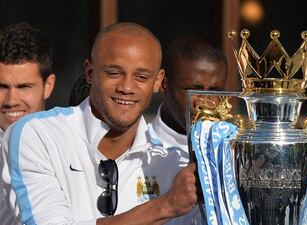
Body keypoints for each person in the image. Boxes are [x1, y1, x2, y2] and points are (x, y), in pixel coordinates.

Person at [148, 36, 307, 223]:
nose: (205, 100)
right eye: (193, 89)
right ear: (163, 83)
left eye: (215, 90)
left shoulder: (241, 148)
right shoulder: (139, 149)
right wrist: (166, 205)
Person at [2, 22, 197, 225]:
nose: (127, 87)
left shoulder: (174, 164)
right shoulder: (36, 135)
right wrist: (164, 207)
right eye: (114, 73)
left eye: (141, 77)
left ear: (158, 81)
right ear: (90, 72)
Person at [0, 22, 56, 225]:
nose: (11, 100)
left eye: (24, 87)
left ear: (48, 86)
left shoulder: (71, 142)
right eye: (2, 86)